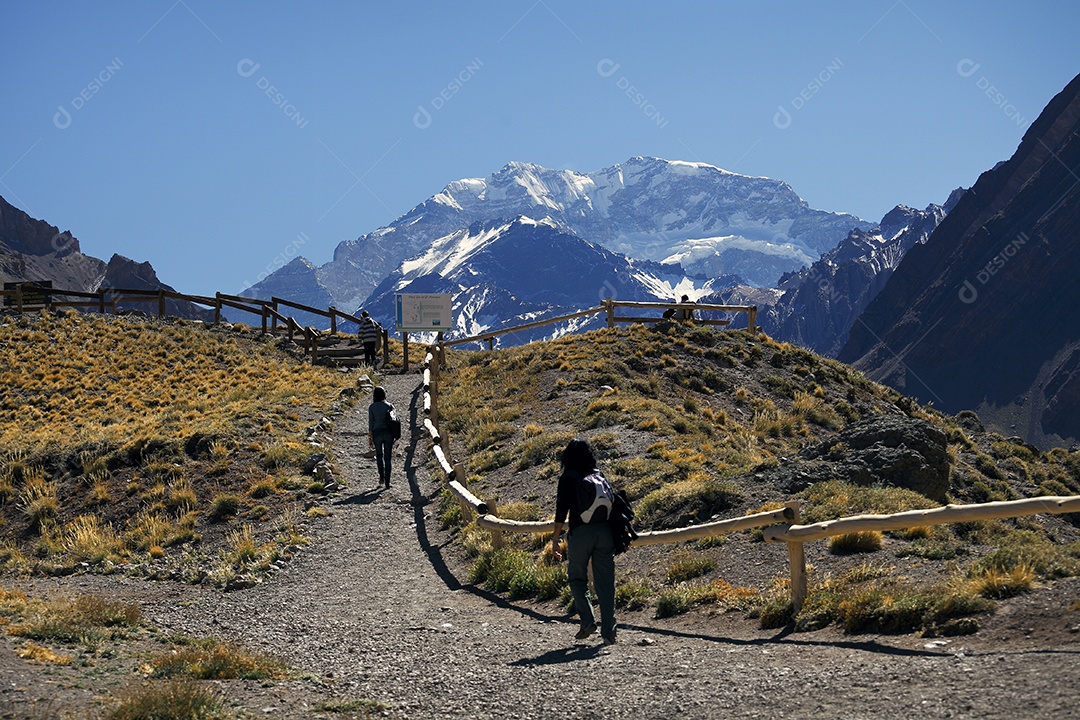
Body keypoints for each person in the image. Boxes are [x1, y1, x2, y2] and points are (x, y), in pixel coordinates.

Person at [550, 439, 617, 645]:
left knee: (577, 578)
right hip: (605, 532)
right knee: (605, 583)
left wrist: (555, 538)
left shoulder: (568, 478)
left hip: (580, 533)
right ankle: (609, 632)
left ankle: (587, 621)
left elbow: (561, 511)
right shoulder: (598, 474)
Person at [368, 386, 396, 489]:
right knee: (388, 458)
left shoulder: (372, 407)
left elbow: (371, 422)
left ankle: (381, 477)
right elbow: (395, 420)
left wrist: (370, 436)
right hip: (388, 432)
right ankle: (388, 482)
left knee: (379, 455)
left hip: (377, 432)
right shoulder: (390, 406)